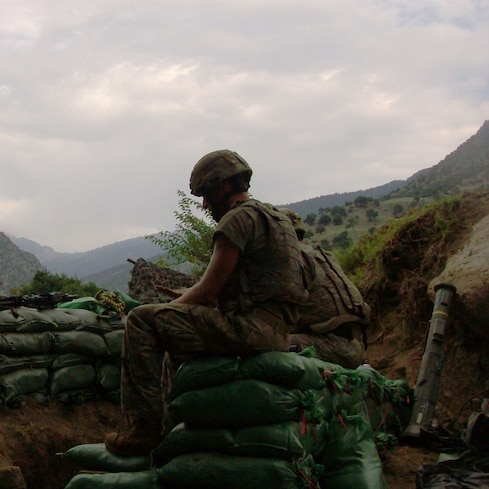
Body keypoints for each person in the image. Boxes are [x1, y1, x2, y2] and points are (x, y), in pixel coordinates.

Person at [104, 150, 310, 457]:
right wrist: (190, 300)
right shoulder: (276, 218)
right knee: (182, 337)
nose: (204, 205)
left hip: (250, 330)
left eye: (205, 195)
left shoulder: (237, 219)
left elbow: (206, 293)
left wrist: (178, 305)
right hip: (277, 330)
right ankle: (177, 421)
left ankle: (144, 430)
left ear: (222, 187)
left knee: (141, 321)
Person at [280, 208, 370, 369]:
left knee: (263, 347)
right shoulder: (323, 256)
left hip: (331, 345)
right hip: (356, 344)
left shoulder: (292, 260)